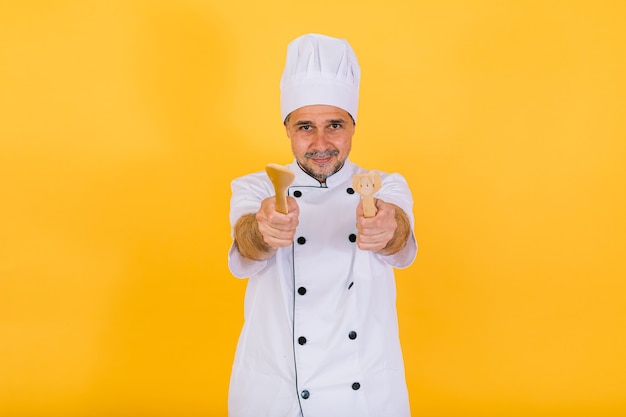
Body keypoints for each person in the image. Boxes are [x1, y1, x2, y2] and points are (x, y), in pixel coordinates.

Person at [227, 33, 418, 417]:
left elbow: (397, 234)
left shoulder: (384, 185)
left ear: (353, 126)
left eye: (335, 125)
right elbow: (247, 241)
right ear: (287, 129)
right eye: (305, 127)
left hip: (364, 395)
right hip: (276, 390)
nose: (321, 142)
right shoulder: (257, 186)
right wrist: (265, 231)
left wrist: (386, 229)